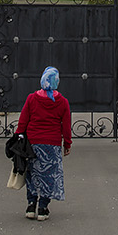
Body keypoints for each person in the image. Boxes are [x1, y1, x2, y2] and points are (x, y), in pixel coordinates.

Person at [15, 66, 72, 221]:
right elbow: (66, 126)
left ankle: (31, 205)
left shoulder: (32, 98)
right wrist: (67, 144)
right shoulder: (62, 102)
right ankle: (43, 207)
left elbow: (23, 120)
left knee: (32, 173)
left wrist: (18, 137)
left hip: (32, 143)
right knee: (49, 175)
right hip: (52, 144)